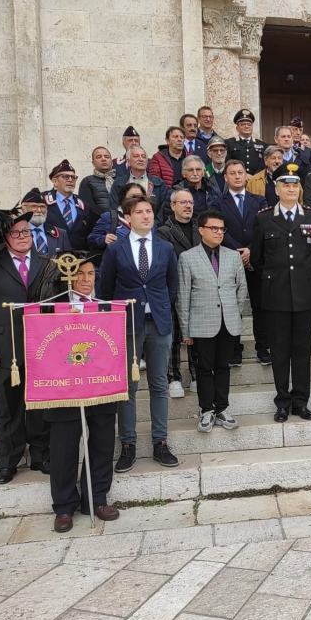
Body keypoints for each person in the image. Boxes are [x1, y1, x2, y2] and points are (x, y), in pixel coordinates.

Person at [33, 251, 119, 532]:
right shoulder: (50, 307)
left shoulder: (104, 306)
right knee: (64, 448)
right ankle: (64, 506)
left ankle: (97, 498)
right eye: (80, 273)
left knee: (103, 441)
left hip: (100, 386)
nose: (85, 279)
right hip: (63, 388)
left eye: (91, 274)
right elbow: (42, 345)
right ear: (66, 275)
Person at [99, 192, 180, 472]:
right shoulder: (115, 250)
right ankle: (128, 444)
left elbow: (172, 286)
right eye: (140, 212)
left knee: (159, 384)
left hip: (158, 323)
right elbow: (105, 289)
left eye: (149, 211)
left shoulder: (166, 248)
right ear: (128, 217)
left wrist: (156, 306)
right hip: (127, 323)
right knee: (128, 388)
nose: (146, 216)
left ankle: (160, 441)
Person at [0, 209, 50, 484]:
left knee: (40, 403)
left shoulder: (46, 262)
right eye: (15, 232)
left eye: (26, 231)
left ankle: (40, 454)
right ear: (5, 237)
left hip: (40, 347)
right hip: (3, 349)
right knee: (8, 407)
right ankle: (9, 460)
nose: (22, 236)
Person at [251, 163, 311, 423]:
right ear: (276, 187)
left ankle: (300, 402)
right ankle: (282, 402)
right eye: (286, 184)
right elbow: (257, 260)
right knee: (280, 352)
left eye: (295, 184)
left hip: (305, 295)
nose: (291, 188)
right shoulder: (264, 218)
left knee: (302, 352)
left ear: (300, 189)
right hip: (276, 296)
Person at [177, 209, 247, 433]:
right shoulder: (187, 258)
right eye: (213, 228)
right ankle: (206, 409)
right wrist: (186, 330)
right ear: (201, 230)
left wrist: (235, 315)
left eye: (221, 229)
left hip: (228, 321)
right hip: (202, 323)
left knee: (223, 366)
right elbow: (183, 295)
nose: (218, 233)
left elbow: (241, 289)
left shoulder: (233, 255)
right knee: (204, 368)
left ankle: (223, 408)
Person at [209, 159, 270, 366]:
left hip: (255, 260)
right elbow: (219, 229)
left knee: (260, 306)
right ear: (225, 177)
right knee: (231, 306)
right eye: (232, 173)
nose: (237, 176)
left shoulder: (259, 201)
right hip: (229, 259)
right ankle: (234, 349)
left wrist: (251, 250)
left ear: (246, 176)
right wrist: (237, 251)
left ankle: (263, 347)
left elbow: (264, 228)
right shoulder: (218, 203)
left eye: (240, 172)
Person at [157, 188, 201, 398]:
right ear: (173, 206)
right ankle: (173, 377)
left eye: (190, 202)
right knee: (174, 336)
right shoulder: (163, 231)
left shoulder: (200, 227)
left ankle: (195, 374)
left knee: (196, 334)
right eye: (183, 202)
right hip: (174, 289)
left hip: (198, 289)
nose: (187, 206)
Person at [43, 159, 99, 250]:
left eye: (73, 177)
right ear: (55, 181)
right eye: (65, 177)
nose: (70, 180)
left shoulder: (83, 205)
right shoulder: (42, 202)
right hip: (51, 259)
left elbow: (92, 233)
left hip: (79, 260)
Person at [109, 146, 170, 223]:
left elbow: (163, 211)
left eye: (144, 157)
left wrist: (153, 227)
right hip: (125, 228)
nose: (141, 159)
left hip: (153, 229)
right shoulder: (119, 183)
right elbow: (114, 208)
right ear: (128, 161)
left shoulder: (159, 183)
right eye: (136, 156)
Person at [87, 183, 141, 251]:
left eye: (140, 197)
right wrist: (104, 239)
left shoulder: (147, 218)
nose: (136, 200)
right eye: (132, 197)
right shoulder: (109, 217)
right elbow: (91, 240)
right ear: (123, 198)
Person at [19, 188, 70, 256]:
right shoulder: (14, 234)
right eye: (34, 206)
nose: (39, 210)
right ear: (23, 209)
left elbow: (68, 260)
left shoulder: (61, 234)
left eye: (42, 207)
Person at [225, 108, 266, 175]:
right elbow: (227, 163)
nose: (246, 126)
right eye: (243, 124)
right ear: (237, 128)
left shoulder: (262, 145)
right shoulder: (229, 143)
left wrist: (255, 178)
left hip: (256, 181)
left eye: (249, 124)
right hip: (236, 179)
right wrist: (244, 175)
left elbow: (264, 164)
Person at [78, 146, 115, 212]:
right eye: (99, 157)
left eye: (107, 157)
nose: (103, 159)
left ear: (112, 162)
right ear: (93, 163)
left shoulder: (122, 180)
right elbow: (87, 207)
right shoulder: (87, 181)